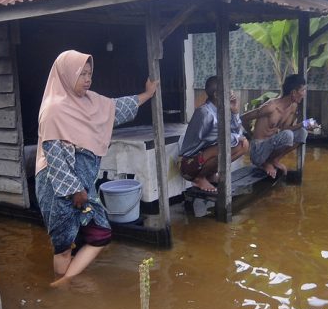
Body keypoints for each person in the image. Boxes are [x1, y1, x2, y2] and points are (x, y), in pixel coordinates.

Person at [35, 50, 157, 286]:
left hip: (82, 186)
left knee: (100, 233)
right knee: (63, 244)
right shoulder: (53, 109)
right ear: (67, 75)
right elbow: (55, 158)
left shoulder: (92, 102)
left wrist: (148, 94)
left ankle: (64, 282)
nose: (87, 79)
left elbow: (117, 107)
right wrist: (75, 192)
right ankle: (63, 289)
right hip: (57, 187)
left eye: (89, 73)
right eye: (82, 74)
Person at [177, 75, 249, 193]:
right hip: (188, 165)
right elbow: (226, 139)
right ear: (216, 95)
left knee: (244, 145)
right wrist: (238, 137)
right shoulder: (204, 113)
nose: (231, 93)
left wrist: (235, 111)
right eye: (227, 90)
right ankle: (199, 178)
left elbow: (236, 134)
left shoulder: (221, 110)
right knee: (224, 147)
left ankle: (209, 175)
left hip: (204, 156)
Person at [242, 74, 313, 178]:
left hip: (270, 146)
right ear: (293, 92)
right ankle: (265, 163)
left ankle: (274, 160)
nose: (304, 94)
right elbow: (243, 118)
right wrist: (251, 136)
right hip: (259, 151)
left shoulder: (293, 107)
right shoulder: (271, 107)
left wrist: (303, 124)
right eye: (303, 90)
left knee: (302, 132)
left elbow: (285, 129)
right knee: (288, 135)